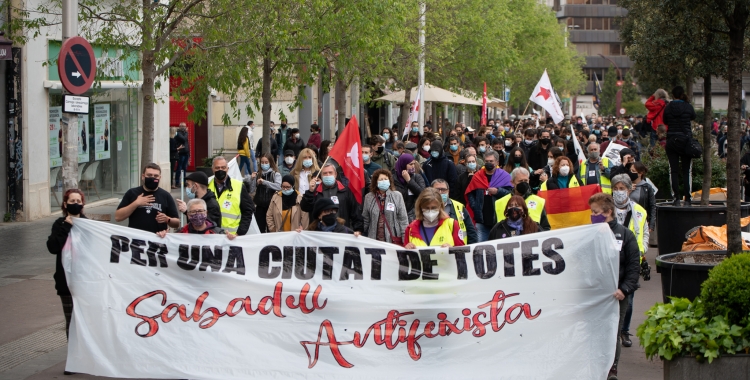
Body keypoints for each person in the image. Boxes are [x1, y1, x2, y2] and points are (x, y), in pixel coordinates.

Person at [588, 193, 640, 380]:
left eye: (595, 212)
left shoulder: (625, 235)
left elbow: (634, 266)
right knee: (593, 333)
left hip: (617, 295)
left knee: (612, 333)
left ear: (608, 212)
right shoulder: (589, 234)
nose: (592, 216)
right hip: (594, 294)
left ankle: (612, 369)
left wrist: (624, 289)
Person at [47, 189, 87, 342]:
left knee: (85, 322)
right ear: (65, 204)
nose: (75, 204)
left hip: (84, 281)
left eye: (78, 201)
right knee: (71, 322)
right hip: (66, 282)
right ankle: (73, 360)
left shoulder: (87, 225)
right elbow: (53, 247)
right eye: (72, 201)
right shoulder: (59, 224)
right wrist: (66, 227)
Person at [115, 163, 179, 233]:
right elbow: (118, 217)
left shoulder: (165, 195)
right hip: (136, 239)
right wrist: (136, 203)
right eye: (149, 175)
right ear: (143, 176)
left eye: (156, 176)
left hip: (158, 239)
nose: (152, 178)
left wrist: (167, 219)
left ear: (160, 178)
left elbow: (176, 223)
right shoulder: (132, 193)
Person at [300, 162, 363, 234]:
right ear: (321, 176)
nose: (328, 175)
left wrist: (358, 230)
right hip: (319, 233)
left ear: (335, 174)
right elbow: (305, 207)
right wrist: (310, 192)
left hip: (341, 232)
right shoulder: (315, 191)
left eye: (330, 173)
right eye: (325, 173)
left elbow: (355, 213)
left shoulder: (345, 191)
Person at [465, 150, 512, 242]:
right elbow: (470, 193)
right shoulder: (477, 176)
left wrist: (498, 191)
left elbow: (511, 194)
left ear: (497, 162)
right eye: (486, 161)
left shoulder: (504, 176)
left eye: (491, 161)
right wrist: (475, 207)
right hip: (481, 220)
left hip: (499, 221)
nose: (488, 163)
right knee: (480, 248)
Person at [663, 85, 696, 206]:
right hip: (686, 140)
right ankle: (688, 198)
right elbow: (693, 116)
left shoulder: (668, 107)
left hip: (672, 139)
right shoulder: (688, 107)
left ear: (672, 95)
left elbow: (665, 121)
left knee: (674, 170)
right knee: (687, 170)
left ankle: (676, 198)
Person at [206, 156, 256, 235]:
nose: (220, 170)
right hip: (211, 236)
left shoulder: (238, 186)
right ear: (212, 169)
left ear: (227, 169)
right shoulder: (206, 186)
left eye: (223, 167)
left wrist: (240, 233)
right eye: (217, 168)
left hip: (232, 237)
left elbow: (248, 210)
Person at [495, 167, 551, 231]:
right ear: (512, 182)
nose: (523, 183)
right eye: (520, 181)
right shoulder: (500, 202)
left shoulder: (539, 201)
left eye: (526, 181)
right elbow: (494, 230)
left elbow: (545, 227)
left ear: (529, 181)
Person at [362, 169, 409, 244]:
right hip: (374, 241)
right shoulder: (368, 197)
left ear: (390, 181)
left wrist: (406, 240)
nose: (384, 181)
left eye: (386, 179)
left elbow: (403, 220)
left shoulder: (397, 196)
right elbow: (365, 219)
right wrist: (359, 233)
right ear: (376, 182)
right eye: (381, 179)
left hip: (393, 240)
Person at [432, 178, 477, 244]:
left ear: (448, 192)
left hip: (458, 249)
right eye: (437, 190)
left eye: (443, 190)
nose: (440, 192)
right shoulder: (425, 208)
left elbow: (471, 231)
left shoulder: (459, 207)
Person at [248, 153, 282, 233]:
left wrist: (265, 182)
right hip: (260, 206)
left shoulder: (275, 174)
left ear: (270, 162)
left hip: (272, 205)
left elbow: (278, 187)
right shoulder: (258, 174)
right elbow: (252, 190)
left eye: (266, 162)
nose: (264, 164)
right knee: (260, 229)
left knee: (271, 228)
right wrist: (252, 179)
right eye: (262, 162)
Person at [170, 198, 236, 237]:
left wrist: (230, 239)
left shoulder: (218, 234)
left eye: (200, 211)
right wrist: (164, 237)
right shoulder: (181, 234)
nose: (197, 214)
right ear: (188, 215)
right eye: (193, 212)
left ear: (206, 213)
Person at [393, 153, 426, 219]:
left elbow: (423, 194)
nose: (413, 166)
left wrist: (409, 181)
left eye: (414, 164)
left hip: (413, 214)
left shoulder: (417, 177)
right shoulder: (393, 179)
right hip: (396, 214)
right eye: (410, 164)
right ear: (403, 165)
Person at [174, 123, 190, 188]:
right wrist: (186, 132)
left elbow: (187, 144)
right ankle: (177, 182)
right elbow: (184, 139)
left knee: (184, 168)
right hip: (181, 153)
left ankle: (184, 182)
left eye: (184, 126)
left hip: (186, 153)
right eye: (182, 126)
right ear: (179, 127)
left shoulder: (185, 133)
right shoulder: (178, 133)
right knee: (179, 168)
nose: (184, 127)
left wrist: (189, 155)